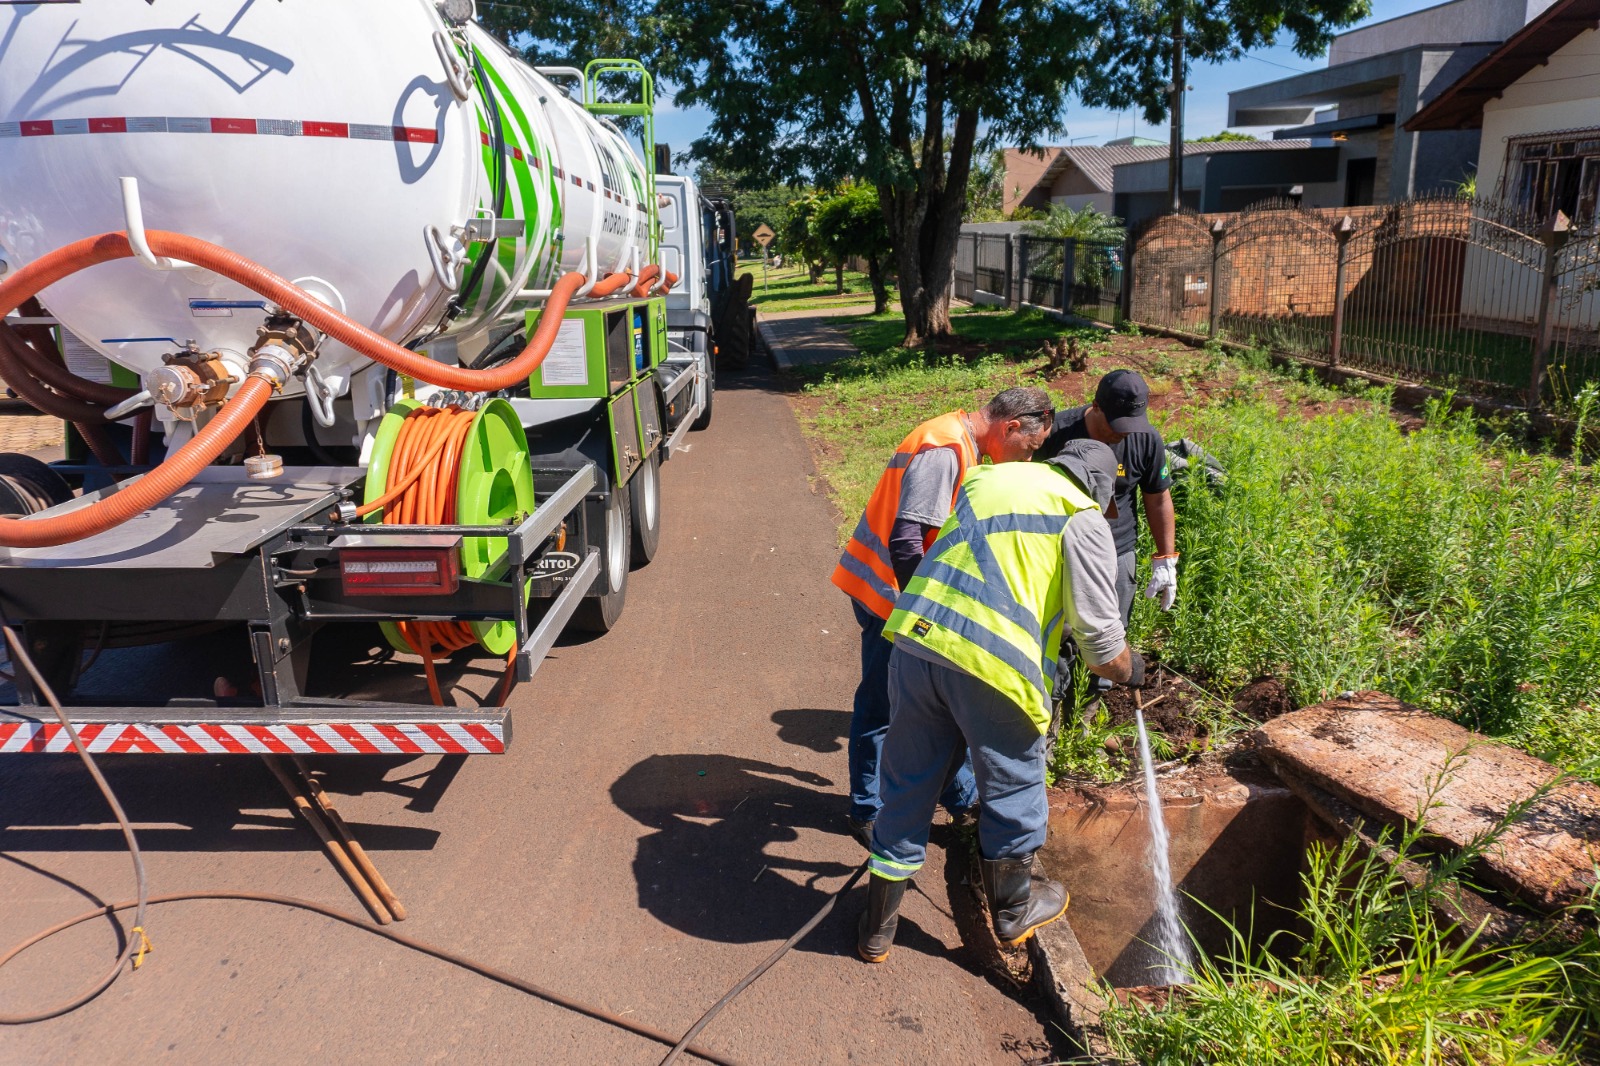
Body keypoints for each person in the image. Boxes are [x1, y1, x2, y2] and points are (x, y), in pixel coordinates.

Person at [858, 439, 1146, 962]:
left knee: (908, 780)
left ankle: (876, 930)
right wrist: (1132, 669)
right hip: (992, 667)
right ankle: (1013, 911)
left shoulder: (987, 479)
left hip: (917, 643)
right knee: (1013, 783)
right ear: (1100, 490)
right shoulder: (1081, 518)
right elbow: (1101, 643)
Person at [831, 387, 1055, 849]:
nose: (1026, 461)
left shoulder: (959, 441)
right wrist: (927, 608)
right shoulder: (945, 448)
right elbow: (907, 541)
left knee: (933, 706)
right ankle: (867, 811)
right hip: (887, 592)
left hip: (894, 589)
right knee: (882, 709)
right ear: (1011, 427)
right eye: (1028, 449)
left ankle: (960, 800)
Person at [1036, 368, 1178, 629]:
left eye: (1133, 423)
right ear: (1096, 406)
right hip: (1059, 551)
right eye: (1118, 424)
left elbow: (1157, 498)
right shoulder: (1056, 433)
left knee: (1111, 633)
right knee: (1060, 635)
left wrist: (1166, 559)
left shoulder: (1146, 439)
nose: (1125, 433)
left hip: (1117, 551)